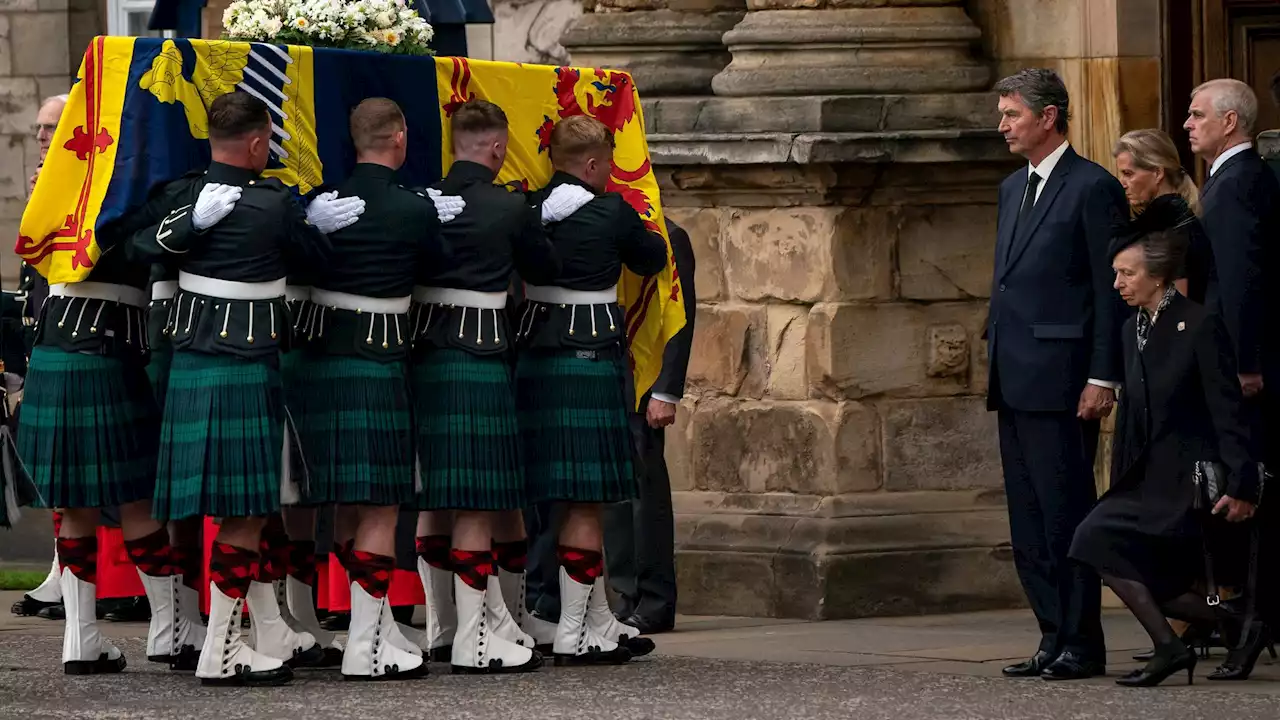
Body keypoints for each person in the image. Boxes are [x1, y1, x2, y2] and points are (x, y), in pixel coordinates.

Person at [127, 91, 360, 686]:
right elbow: (317, 262)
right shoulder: (274, 204)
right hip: (248, 368)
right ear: (258, 143)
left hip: (191, 368)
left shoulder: (182, 194)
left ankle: (267, 631)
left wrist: (187, 223)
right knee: (247, 513)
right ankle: (222, 651)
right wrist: (314, 225)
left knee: (237, 511)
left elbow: (137, 248)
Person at [292, 97, 461, 680]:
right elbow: (440, 268)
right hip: (379, 358)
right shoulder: (412, 208)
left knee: (342, 499)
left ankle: (379, 625)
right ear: (401, 136)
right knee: (382, 503)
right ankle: (366, 644)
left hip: (320, 361)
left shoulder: (321, 205)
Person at [1069, 196, 1261, 687]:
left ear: (1156, 276)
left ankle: (1181, 644)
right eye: (1115, 274)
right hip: (1146, 474)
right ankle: (1231, 625)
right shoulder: (1130, 327)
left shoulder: (1198, 324)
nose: (1117, 284)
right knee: (1104, 549)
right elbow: (1135, 414)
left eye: (1126, 275)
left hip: (1187, 475)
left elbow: (1227, 408)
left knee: (1099, 542)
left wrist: (1241, 483)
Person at [410, 98, 565, 673]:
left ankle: (442, 626)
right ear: (498, 148)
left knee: (436, 492)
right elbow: (544, 268)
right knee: (477, 494)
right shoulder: (507, 206)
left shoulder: (421, 203)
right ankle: (477, 635)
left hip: (423, 355)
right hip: (479, 354)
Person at [987, 68, 1127, 682]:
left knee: (1066, 513)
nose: (1003, 125)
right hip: (1014, 376)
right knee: (1027, 521)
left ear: (1049, 117)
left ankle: (1082, 641)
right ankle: (1050, 634)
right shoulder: (1010, 188)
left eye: (1012, 114)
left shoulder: (1093, 186)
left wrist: (1103, 376)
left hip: (1065, 379)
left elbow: (1109, 292)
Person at [515, 114, 667, 666]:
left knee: (543, 488)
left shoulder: (526, 208)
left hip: (533, 354)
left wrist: (536, 212)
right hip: (588, 356)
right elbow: (652, 259)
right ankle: (575, 630)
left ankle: (597, 616)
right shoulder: (610, 209)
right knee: (587, 496)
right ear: (595, 163)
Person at [1185, 77, 1280, 679]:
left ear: (1230, 123)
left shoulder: (1235, 184)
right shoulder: (1234, 179)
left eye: (1198, 115)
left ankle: (1249, 619)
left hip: (1239, 366)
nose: (1188, 124)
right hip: (1236, 359)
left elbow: (1240, 283)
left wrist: (1243, 363)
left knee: (1245, 493)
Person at [601, 216, 695, 635]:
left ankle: (655, 600)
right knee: (614, 495)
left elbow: (679, 316)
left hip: (646, 377)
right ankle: (624, 595)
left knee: (646, 491)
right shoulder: (603, 224)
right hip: (607, 373)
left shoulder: (668, 235)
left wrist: (666, 390)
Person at [1112, 129, 1210, 303]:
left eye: (1128, 174)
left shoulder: (1173, 224)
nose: (1122, 184)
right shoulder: (1162, 220)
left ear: (1157, 173)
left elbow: (1180, 302)